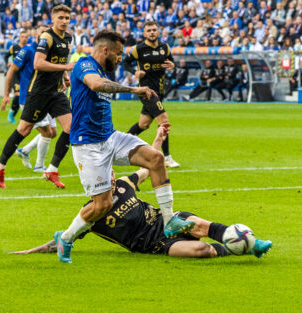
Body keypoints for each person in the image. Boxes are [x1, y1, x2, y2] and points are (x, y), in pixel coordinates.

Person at [10, 127, 273, 258]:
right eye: (107, 177)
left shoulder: (125, 183)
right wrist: (28, 252)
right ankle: (237, 246)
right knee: (201, 250)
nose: (112, 179)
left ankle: (252, 243)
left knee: (196, 224)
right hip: (154, 244)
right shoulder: (92, 213)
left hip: (164, 221)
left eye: (112, 175)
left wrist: (157, 140)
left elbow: (149, 168)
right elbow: (61, 239)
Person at [55, 30, 196, 264]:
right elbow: (96, 85)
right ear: (106, 50)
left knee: (156, 159)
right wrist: (133, 89)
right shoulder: (84, 65)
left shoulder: (102, 68)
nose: (121, 58)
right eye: (119, 54)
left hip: (110, 137)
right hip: (88, 146)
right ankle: (66, 237)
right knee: (103, 205)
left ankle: (170, 220)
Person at [0, 4, 75, 189]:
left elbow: (60, 61)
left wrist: (64, 76)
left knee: (70, 127)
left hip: (56, 92)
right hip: (38, 92)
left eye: (67, 18)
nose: (64, 21)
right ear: (53, 18)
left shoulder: (68, 38)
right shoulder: (47, 37)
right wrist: (66, 68)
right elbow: (38, 64)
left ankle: (52, 169)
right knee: (24, 129)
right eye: (61, 17)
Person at [122, 21, 180, 168]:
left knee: (144, 124)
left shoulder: (164, 48)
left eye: (154, 30)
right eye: (149, 30)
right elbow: (125, 63)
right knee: (164, 120)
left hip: (160, 90)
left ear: (158, 32)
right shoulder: (138, 49)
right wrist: (134, 72)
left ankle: (121, 146)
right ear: (144, 33)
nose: (152, 32)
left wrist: (173, 65)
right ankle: (166, 157)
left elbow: (171, 63)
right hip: (146, 91)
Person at [1, 25, 57, 173]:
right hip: (29, 98)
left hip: (46, 97)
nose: (45, 35)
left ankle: (25, 151)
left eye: (47, 33)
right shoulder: (27, 50)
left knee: (53, 132)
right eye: (42, 33)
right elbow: (11, 71)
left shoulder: (49, 52)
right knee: (46, 132)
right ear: (36, 35)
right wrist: (7, 94)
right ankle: (39, 165)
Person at [4, 30, 29, 124]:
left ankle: (13, 115)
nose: (24, 39)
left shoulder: (29, 49)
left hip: (25, 75)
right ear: (19, 38)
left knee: (22, 96)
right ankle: (11, 113)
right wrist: (8, 63)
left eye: (26, 37)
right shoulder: (14, 48)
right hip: (15, 75)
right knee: (18, 94)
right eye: (22, 37)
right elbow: (6, 56)